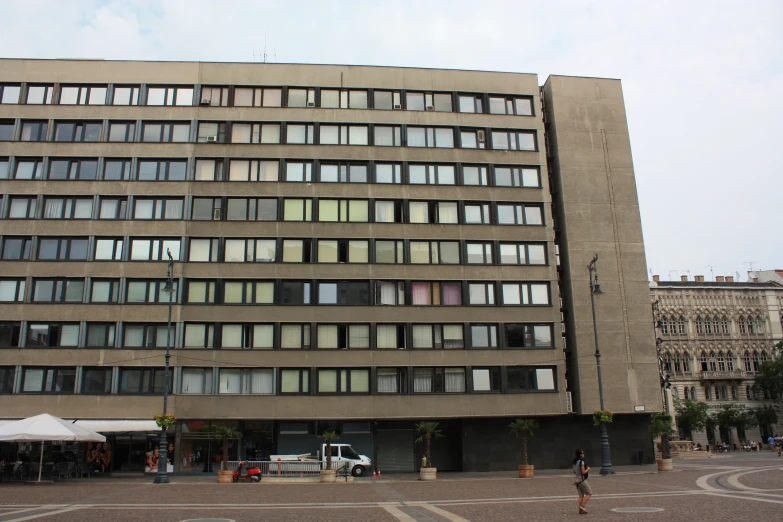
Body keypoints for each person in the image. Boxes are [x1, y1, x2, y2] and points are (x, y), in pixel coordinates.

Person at [573, 449, 592, 515]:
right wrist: (588, 469)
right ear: (580, 454)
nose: (583, 454)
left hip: (577, 480)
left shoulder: (575, 462)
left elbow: (574, 471)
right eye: (582, 453)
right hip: (581, 479)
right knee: (589, 493)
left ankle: (580, 510)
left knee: (581, 495)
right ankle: (582, 507)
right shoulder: (582, 462)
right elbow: (583, 472)